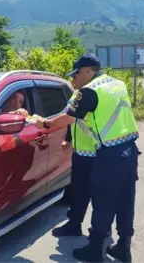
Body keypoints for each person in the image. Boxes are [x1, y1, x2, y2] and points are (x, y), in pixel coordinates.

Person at [33, 54, 140, 263]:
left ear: (89, 71)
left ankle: (95, 249)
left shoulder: (90, 91)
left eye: (78, 74)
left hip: (109, 154)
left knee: (103, 202)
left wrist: (45, 124)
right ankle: (124, 248)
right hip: (129, 149)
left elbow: (69, 118)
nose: (76, 78)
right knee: (125, 201)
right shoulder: (117, 83)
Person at [51, 70, 98, 238]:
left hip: (95, 152)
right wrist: (69, 139)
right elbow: (74, 121)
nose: (72, 80)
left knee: (96, 193)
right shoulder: (77, 96)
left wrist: (46, 124)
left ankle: (99, 228)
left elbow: (68, 119)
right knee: (80, 191)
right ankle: (75, 225)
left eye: (75, 76)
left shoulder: (92, 94)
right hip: (81, 151)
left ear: (87, 74)